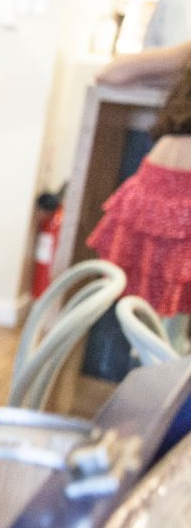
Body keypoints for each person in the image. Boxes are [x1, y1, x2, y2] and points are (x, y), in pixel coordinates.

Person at [89, 44, 191, 336]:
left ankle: (154, 368)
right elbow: (109, 74)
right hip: (170, 197)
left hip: (155, 187)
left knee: (151, 327)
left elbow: (113, 72)